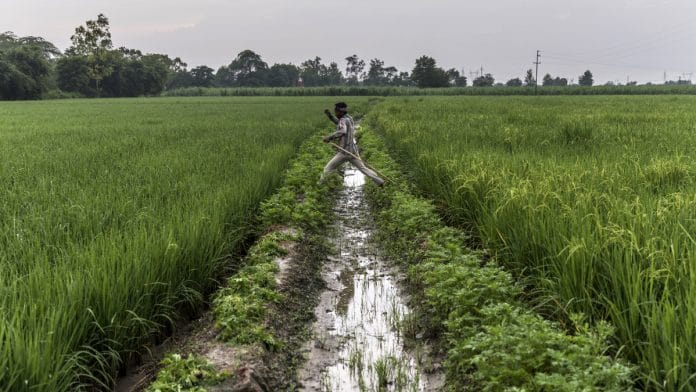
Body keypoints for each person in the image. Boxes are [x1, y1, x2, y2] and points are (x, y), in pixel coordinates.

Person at [319, 102, 385, 186]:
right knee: (363, 168)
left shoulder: (343, 120)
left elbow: (342, 130)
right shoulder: (349, 118)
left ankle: (319, 185)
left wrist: (329, 137)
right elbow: (339, 124)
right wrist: (330, 116)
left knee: (327, 169)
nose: (335, 113)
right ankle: (380, 181)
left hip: (344, 152)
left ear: (340, 112)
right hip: (353, 151)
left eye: (336, 111)